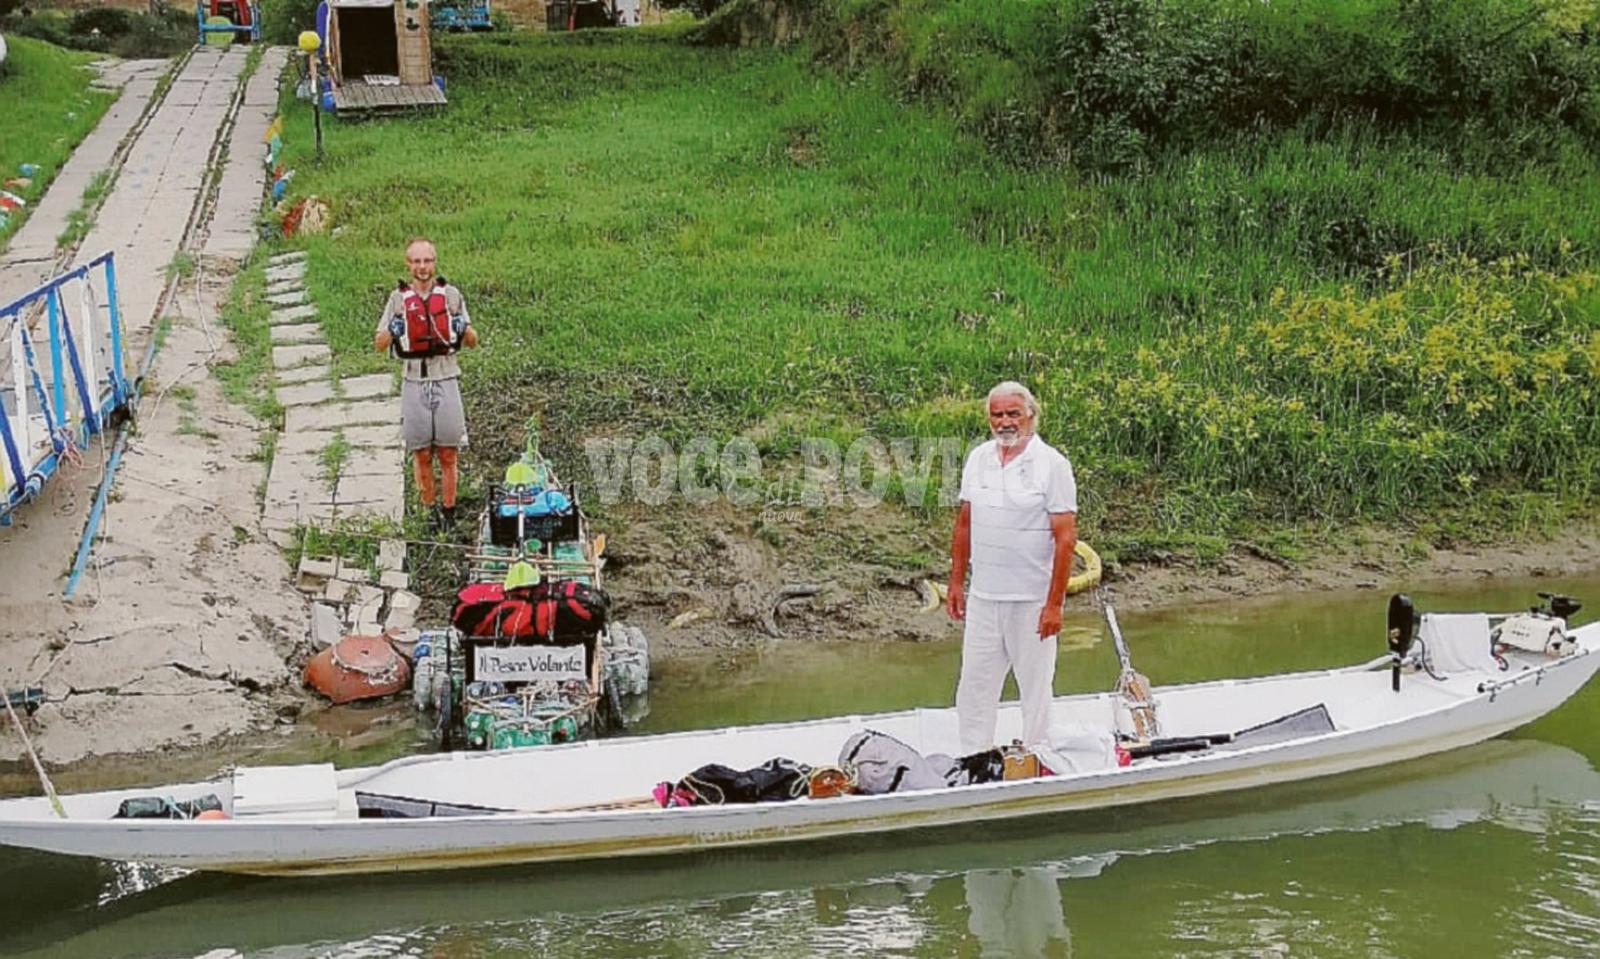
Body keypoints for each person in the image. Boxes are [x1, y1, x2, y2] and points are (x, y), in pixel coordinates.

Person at [947, 381, 1078, 754]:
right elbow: (964, 524)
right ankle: (974, 757)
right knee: (973, 687)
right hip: (984, 598)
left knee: (1035, 690)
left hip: (1031, 601)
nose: (1004, 422)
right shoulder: (978, 458)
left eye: (1013, 414)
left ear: (1031, 416)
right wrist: (956, 583)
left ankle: (1038, 757)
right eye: (997, 414)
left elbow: (1065, 539)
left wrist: (1054, 605)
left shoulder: (1052, 465)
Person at [373, 237, 479, 532]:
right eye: (416, 261)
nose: (422, 266)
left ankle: (449, 513)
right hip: (413, 381)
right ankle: (429, 512)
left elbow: (472, 341)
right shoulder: (397, 300)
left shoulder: (451, 296)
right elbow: (379, 344)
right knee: (420, 453)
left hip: (446, 377)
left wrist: (462, 328)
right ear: (408, 264)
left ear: (434, 262)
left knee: (448, 452)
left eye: (427, 260)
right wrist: (393, 330)